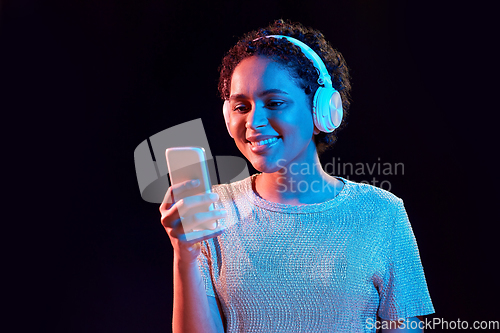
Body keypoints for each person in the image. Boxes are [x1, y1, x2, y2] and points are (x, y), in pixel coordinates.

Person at [159, 19, 434, 333]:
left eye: (274, 103)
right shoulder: (211, 209)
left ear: (322, 112)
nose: (253, 122)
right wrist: (186, 254)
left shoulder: (383, 214)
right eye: (241, 106)